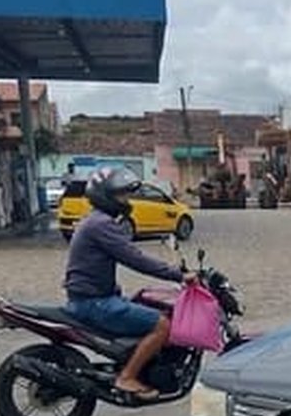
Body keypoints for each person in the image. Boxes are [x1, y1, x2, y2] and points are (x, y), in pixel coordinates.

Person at [63, 167, 196, 399]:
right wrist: (178, 275)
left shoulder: (97, 221)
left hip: (95, 298)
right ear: (105, 197)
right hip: (94, 303)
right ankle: (127, 377)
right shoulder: (101, 225)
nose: (126, 200)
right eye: (121, 195)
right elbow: (135, 259)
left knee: (146, 305)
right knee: (162, 325)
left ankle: (139, 364)